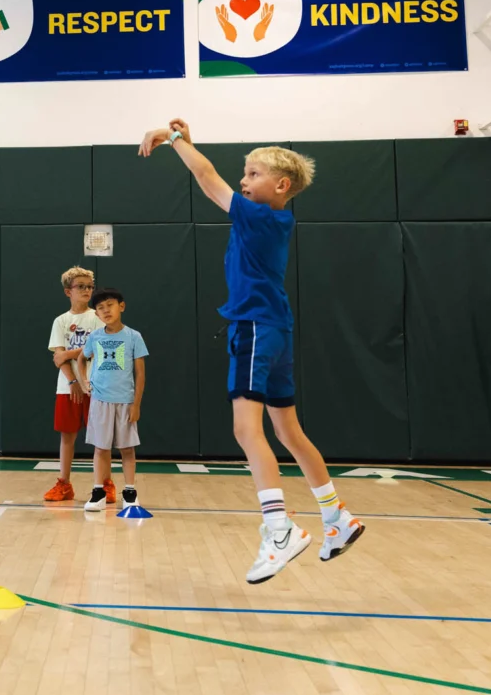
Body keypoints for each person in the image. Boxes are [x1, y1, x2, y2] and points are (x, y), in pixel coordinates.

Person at [140, 121, 362, 582]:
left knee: (247, 430)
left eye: (253, 173)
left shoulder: (260, 216)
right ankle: (336, 516)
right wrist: (191, 142)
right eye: (244, 173)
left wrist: (174, 140)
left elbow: (206, 179)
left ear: (281, 185)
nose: (243, 180)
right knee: (289, 432)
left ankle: (279, 530)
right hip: (276, 328)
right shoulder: (273, 218)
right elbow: (217, 178)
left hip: (256, 328)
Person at [74, 287, 146, 512]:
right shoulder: (95, 337)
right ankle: (98, 492)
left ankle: (130, 491)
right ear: (96, 314)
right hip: (100, 400)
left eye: (110, 305)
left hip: (125, 400)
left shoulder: (134, 336)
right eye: (100, 308)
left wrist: (136, 404)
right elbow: (80, 358)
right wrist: (84, 381)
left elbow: (140, 373)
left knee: (127, 448)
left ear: (121, 306)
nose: (105, 310)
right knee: (100, 448)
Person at [43, 266, 102, 503]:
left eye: (89, 286)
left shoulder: (98, 316)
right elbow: (59, 357)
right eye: (81, 286)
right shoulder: (61, 321)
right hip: (67, 387)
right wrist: (74, 380)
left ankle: (104, 483)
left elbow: (96, 347)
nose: (87, 290)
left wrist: (69, 354)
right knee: (67, 435)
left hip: (96, 386)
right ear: (69, 292)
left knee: (100, 437)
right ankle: (64, 484)